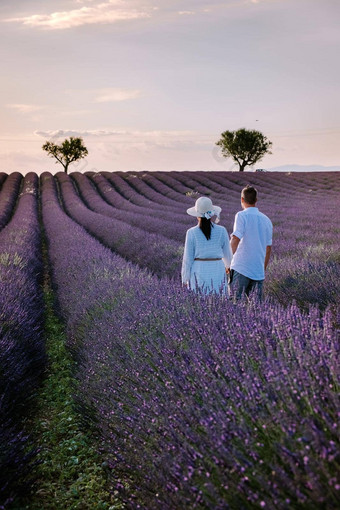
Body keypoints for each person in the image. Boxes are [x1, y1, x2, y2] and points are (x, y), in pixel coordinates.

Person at [181, 196, 232, 295]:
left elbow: (187, 259)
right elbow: (228, 256)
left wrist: (184, 279)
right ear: (211, 214)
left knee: (199, 303)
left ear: (197, 215)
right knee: (219, 302)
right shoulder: (222, 230)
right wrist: (228, 266)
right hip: (217, 270)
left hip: (199, 271)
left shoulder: (191, 232)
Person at [229, 185, 272, 300]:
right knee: (256, 309)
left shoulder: (241, 215)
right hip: (258, 270)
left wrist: (227, 262)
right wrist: (262, 269)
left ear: (242, 200)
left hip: (241, 267)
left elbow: (235, 239)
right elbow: (268, 249)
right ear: (256, 200)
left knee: (234, 304)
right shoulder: (267, 220)